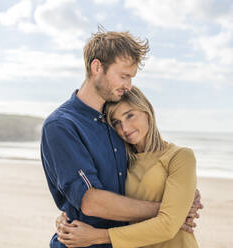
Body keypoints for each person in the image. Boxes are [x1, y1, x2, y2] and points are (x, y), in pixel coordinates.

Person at [41, 29, 202, 248]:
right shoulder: (62, 125)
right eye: (124, 75)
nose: (129, 85)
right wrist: (171, 209)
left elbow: (150, 170)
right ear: (97, 67)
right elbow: (90, 202)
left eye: (131, 78)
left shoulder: (112, 122)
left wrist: (183, 195)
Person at [56, 86, 199, 248]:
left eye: (130, 115)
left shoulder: (179, 156)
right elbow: (104, 202)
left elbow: (168, 225)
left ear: (147, 111)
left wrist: (98, 236)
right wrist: (67, 219)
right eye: (116, 123)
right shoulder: (119, 161)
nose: (125, 128)